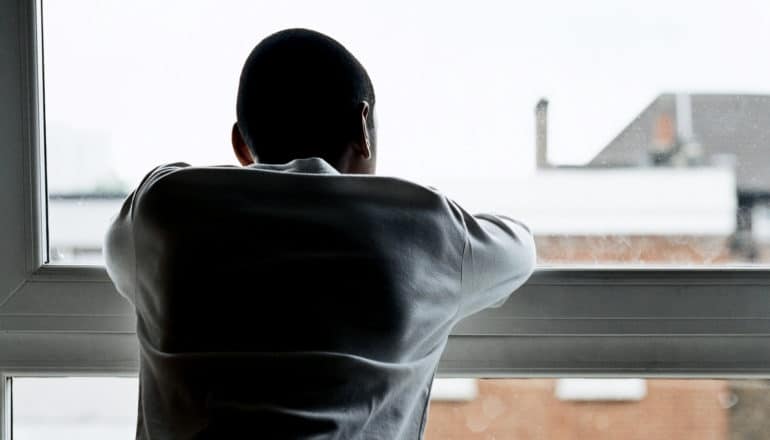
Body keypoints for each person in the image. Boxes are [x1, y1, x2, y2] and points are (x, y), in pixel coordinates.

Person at [104, 28, 535, 440]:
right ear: (362, 127)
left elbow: (119, 248)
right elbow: (519, 249)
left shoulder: (164, 208)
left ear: (240, 146)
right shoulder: (421, 223)